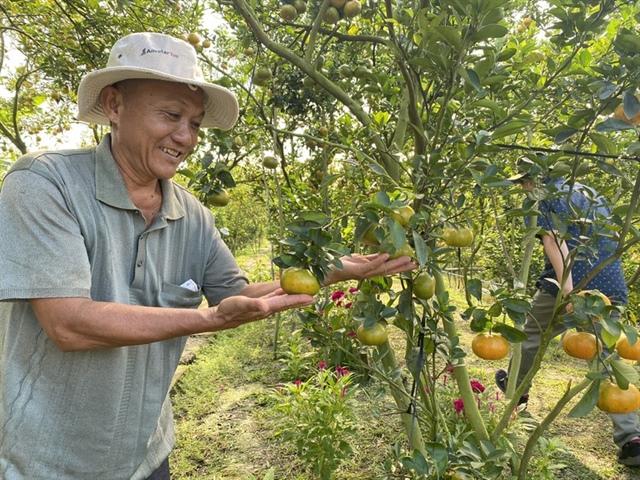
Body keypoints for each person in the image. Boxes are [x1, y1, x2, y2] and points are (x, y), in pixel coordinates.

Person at [0, 32, 415, 480]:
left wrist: (328, 271)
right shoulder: (46, 184)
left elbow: (235, 294)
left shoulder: (192, 215)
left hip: (145, 456)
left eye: (195, 123)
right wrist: (207, 320)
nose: (185, 137)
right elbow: (68, 324)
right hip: (44, 463)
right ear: (115, 105)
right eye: (171, 115)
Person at [495, 159, 640, 466]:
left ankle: (516, 395)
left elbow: (554, 241)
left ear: (533, 179)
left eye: (523, 183)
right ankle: (632, 439)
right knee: (607, 357)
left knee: (529, 336)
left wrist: (569, 291)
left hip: (571, 283)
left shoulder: (544, 196)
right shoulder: (590, 193)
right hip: (610, 284)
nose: (523, 189)